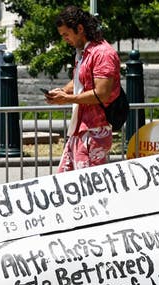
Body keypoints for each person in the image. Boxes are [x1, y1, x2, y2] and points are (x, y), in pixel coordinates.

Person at [44, 5, 121, 173]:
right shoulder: (83, 53)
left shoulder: (103, 53)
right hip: (80, 130)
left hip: (94, 132)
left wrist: (67, 99)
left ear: (79, 28)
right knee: (64, 183)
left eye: (66, 34)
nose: (64, 39)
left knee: (87, 188)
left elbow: (102, 93)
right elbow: (80, 81)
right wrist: (63, 91)